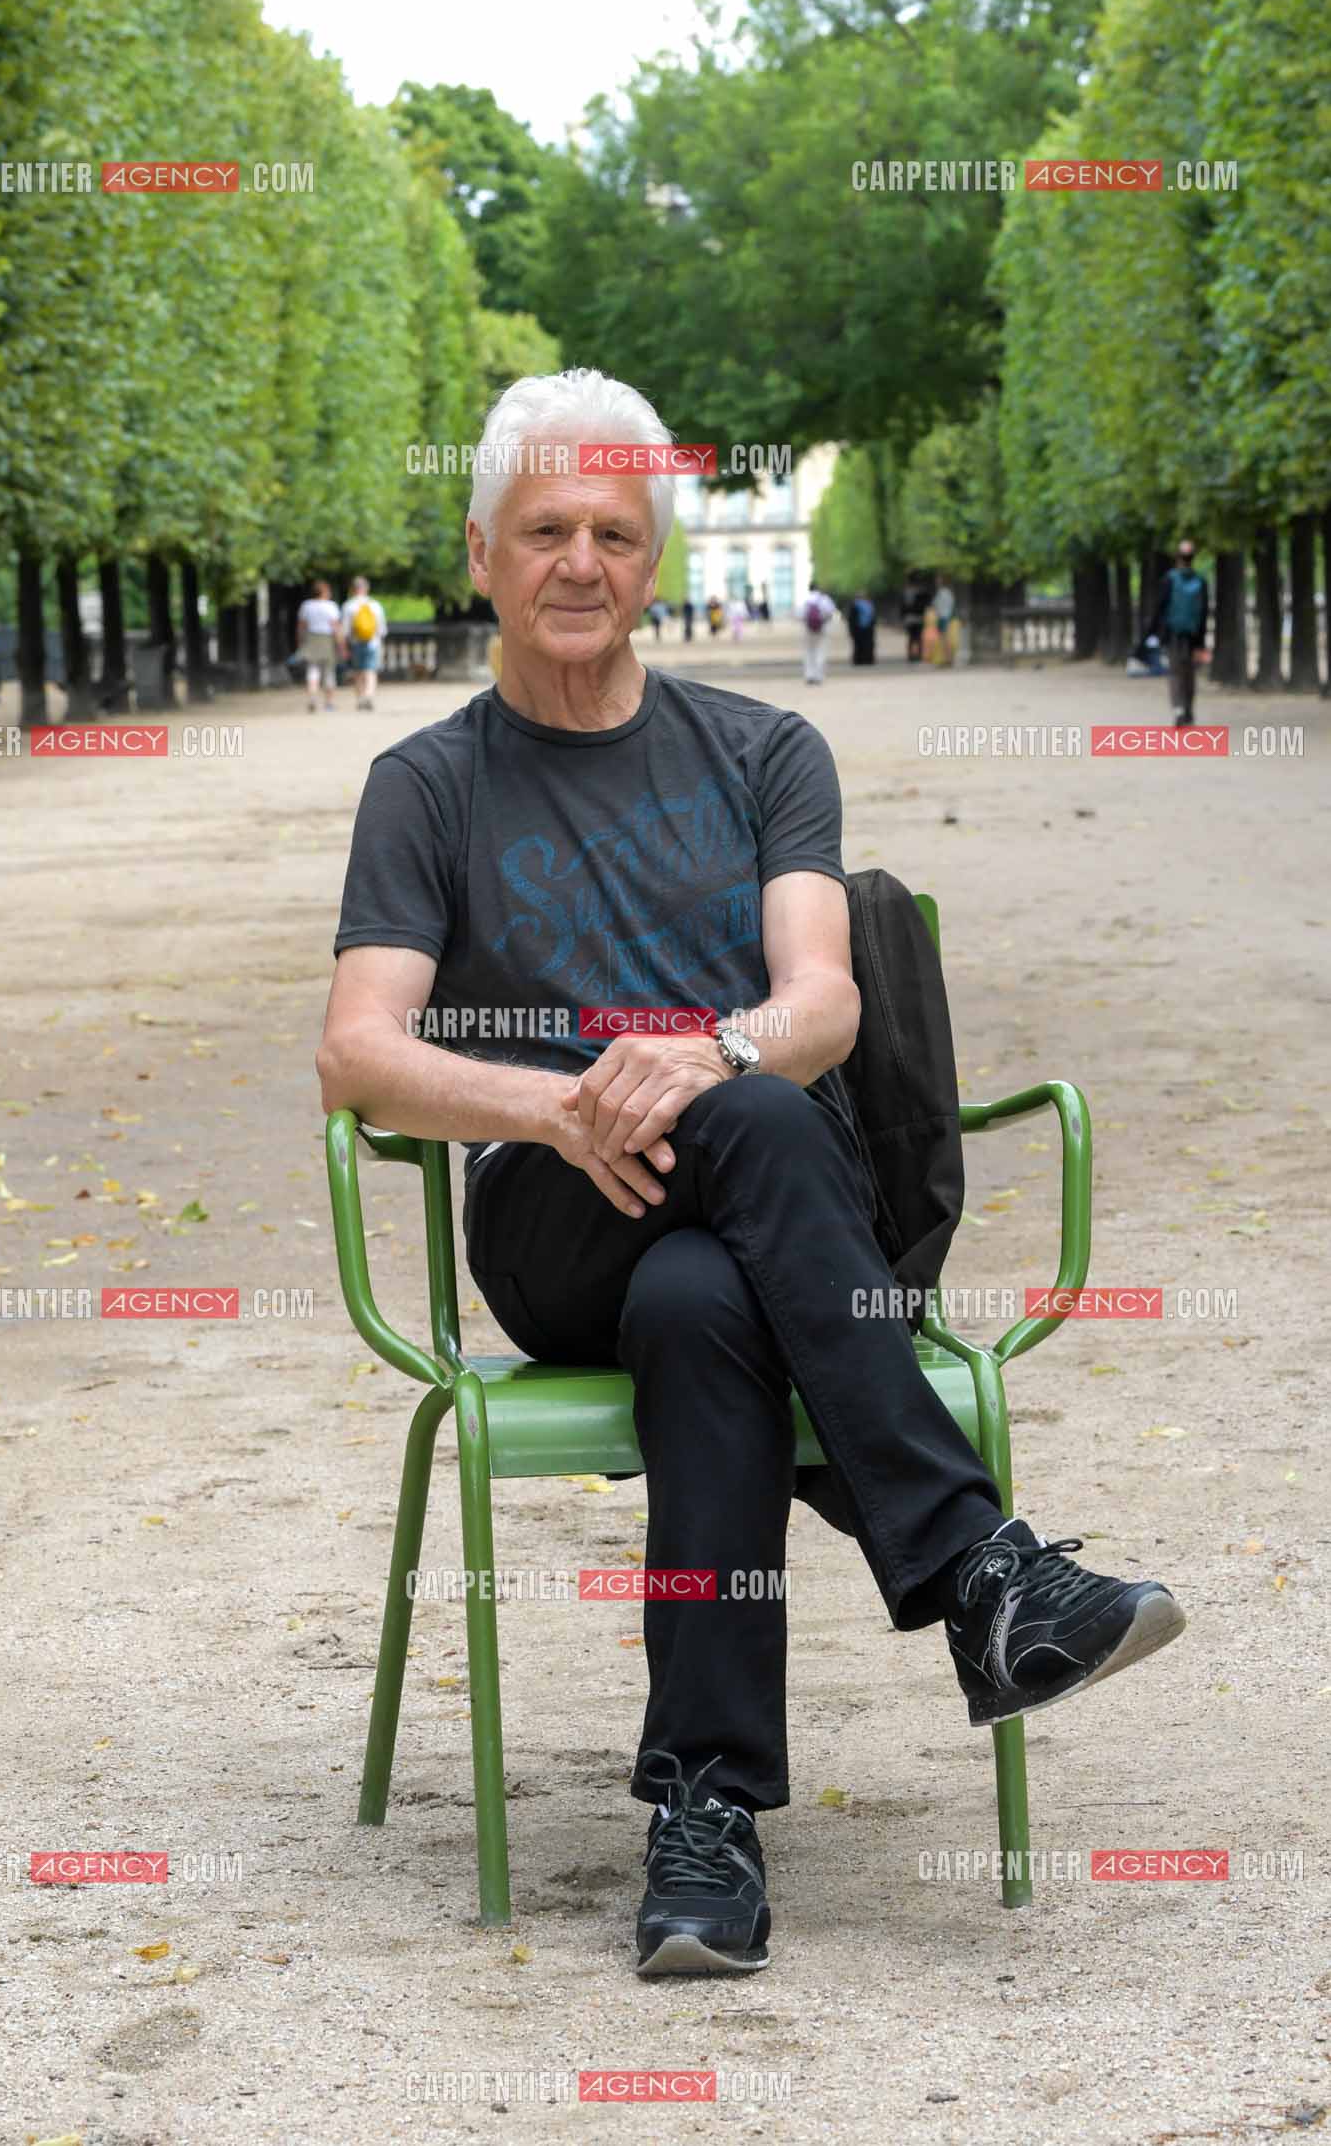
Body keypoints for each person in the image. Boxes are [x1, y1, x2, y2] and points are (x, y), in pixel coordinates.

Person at [317, 366, 1186, 1980]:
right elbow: (356, 1053)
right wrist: (562, 1104)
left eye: (615, 532)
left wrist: (711, 1054)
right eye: (545, 530)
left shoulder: (768, 750)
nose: (581, 561)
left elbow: (822, 1000)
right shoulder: (425, 786)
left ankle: (704, 1826)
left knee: (710, 1290)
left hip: (741, 1224)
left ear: (657, 556)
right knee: (747, 1136)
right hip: (549, 1212)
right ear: (482, 552)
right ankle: (978, 1567)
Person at [1148, 540, 1210, 727]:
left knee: (1175, 672)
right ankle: (1189, 710)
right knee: (1189, 673)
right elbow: (1204, 612)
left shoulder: (1169, 579)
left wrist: (1154, 633)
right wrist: (1201, 640)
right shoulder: (1201, 581)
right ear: (1193, 558)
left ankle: (1178, 709)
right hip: (1193, 634)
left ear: (1177, 557)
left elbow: (1160, 608)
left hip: (1173, 633)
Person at [341, 574, 387, 711]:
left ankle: (360, 698)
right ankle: (369, 695)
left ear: (353, 589)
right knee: (371, 671)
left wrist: (344, 645)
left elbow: (345, 629)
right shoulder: (375, 605)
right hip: (373, 642)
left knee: (358, 672)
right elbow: (382, 629)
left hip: (356, 642)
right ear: (366, 588)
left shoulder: (348, 606)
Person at [296, 579, 342, 712]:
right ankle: (329, 703)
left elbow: (301, 626)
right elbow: (335, 627)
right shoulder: (331, 606)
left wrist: (300, 642)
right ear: (324, 592)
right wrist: (341, 644)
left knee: (312, 670)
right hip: (327, 639)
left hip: (311, 638)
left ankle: (312, 698)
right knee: (329, 672)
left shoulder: (307, 605)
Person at [801, 580, 835, 685]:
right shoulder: (824, 599)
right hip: (822, 628)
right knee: (821, 651)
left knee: (809, 652)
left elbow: (800, 614)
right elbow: (831, 612)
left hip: (808, 629)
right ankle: (819, 676)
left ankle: (809, 675)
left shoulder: (806, 599)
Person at [927, 575, 957, 669]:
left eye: (938, 580)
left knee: (944, 639)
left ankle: (948, 659)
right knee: (944, 639)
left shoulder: (943, 592)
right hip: (944, 616)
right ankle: (947, 659)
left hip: (943, 617)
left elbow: (935, 604)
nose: (937, 581)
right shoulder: (946, 592)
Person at [901, 572, 930, 662]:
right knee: (918, 637)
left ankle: (911, 655)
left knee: (912, 637)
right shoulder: (921, 591)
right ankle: (918, 655)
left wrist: (903, 617)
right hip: (918, 617)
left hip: (910, 617)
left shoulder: (907, 591)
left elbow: (903, 606)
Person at [846, 591, 877, 667]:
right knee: (868, 644)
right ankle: (868, 659)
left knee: (858, 644)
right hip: (868, 629)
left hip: (857, 629)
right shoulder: (869, 605)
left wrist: (851, 630)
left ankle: (858, 660)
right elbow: (873, 618)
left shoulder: (854, 605)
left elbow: (851, 619)